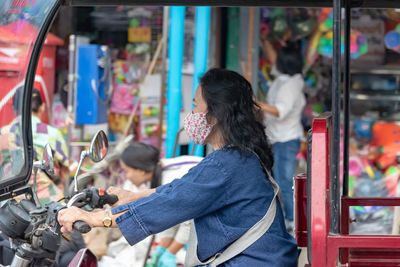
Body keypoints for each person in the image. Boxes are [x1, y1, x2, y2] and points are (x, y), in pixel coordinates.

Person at [59, 68, 298, 266]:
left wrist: (94, 218)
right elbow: (181, 190)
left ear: (214, 115)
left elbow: (171, 203)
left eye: (195, 106)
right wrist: (133, 196)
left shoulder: (226, 164)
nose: (191, 115)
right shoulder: (236, 157)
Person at [258, 40, 306, 231]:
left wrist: (255, 102)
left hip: (286, 140)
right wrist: (264, 39)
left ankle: (293, 221)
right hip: (278, 137)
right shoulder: (285, 78)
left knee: (284, 182)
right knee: (280, 180)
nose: (274, 60)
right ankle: (289, 220)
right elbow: (272, 58)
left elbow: (280, 110)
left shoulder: (290, 86)